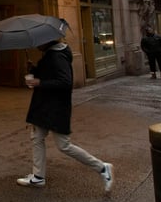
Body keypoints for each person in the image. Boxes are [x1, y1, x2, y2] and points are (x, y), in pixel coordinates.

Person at [16, 38, 114, 193]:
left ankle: (102, 168)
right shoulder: (50, 54)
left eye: (38, 42)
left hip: (55, 107)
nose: (36, 44)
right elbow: (48, 74)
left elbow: (65, 82)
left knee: (64, 145)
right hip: (44, 106)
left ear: (48, 41)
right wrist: (33, 69)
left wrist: (39, 83)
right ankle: (38, 176)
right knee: (37, 138)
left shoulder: (57, 56)